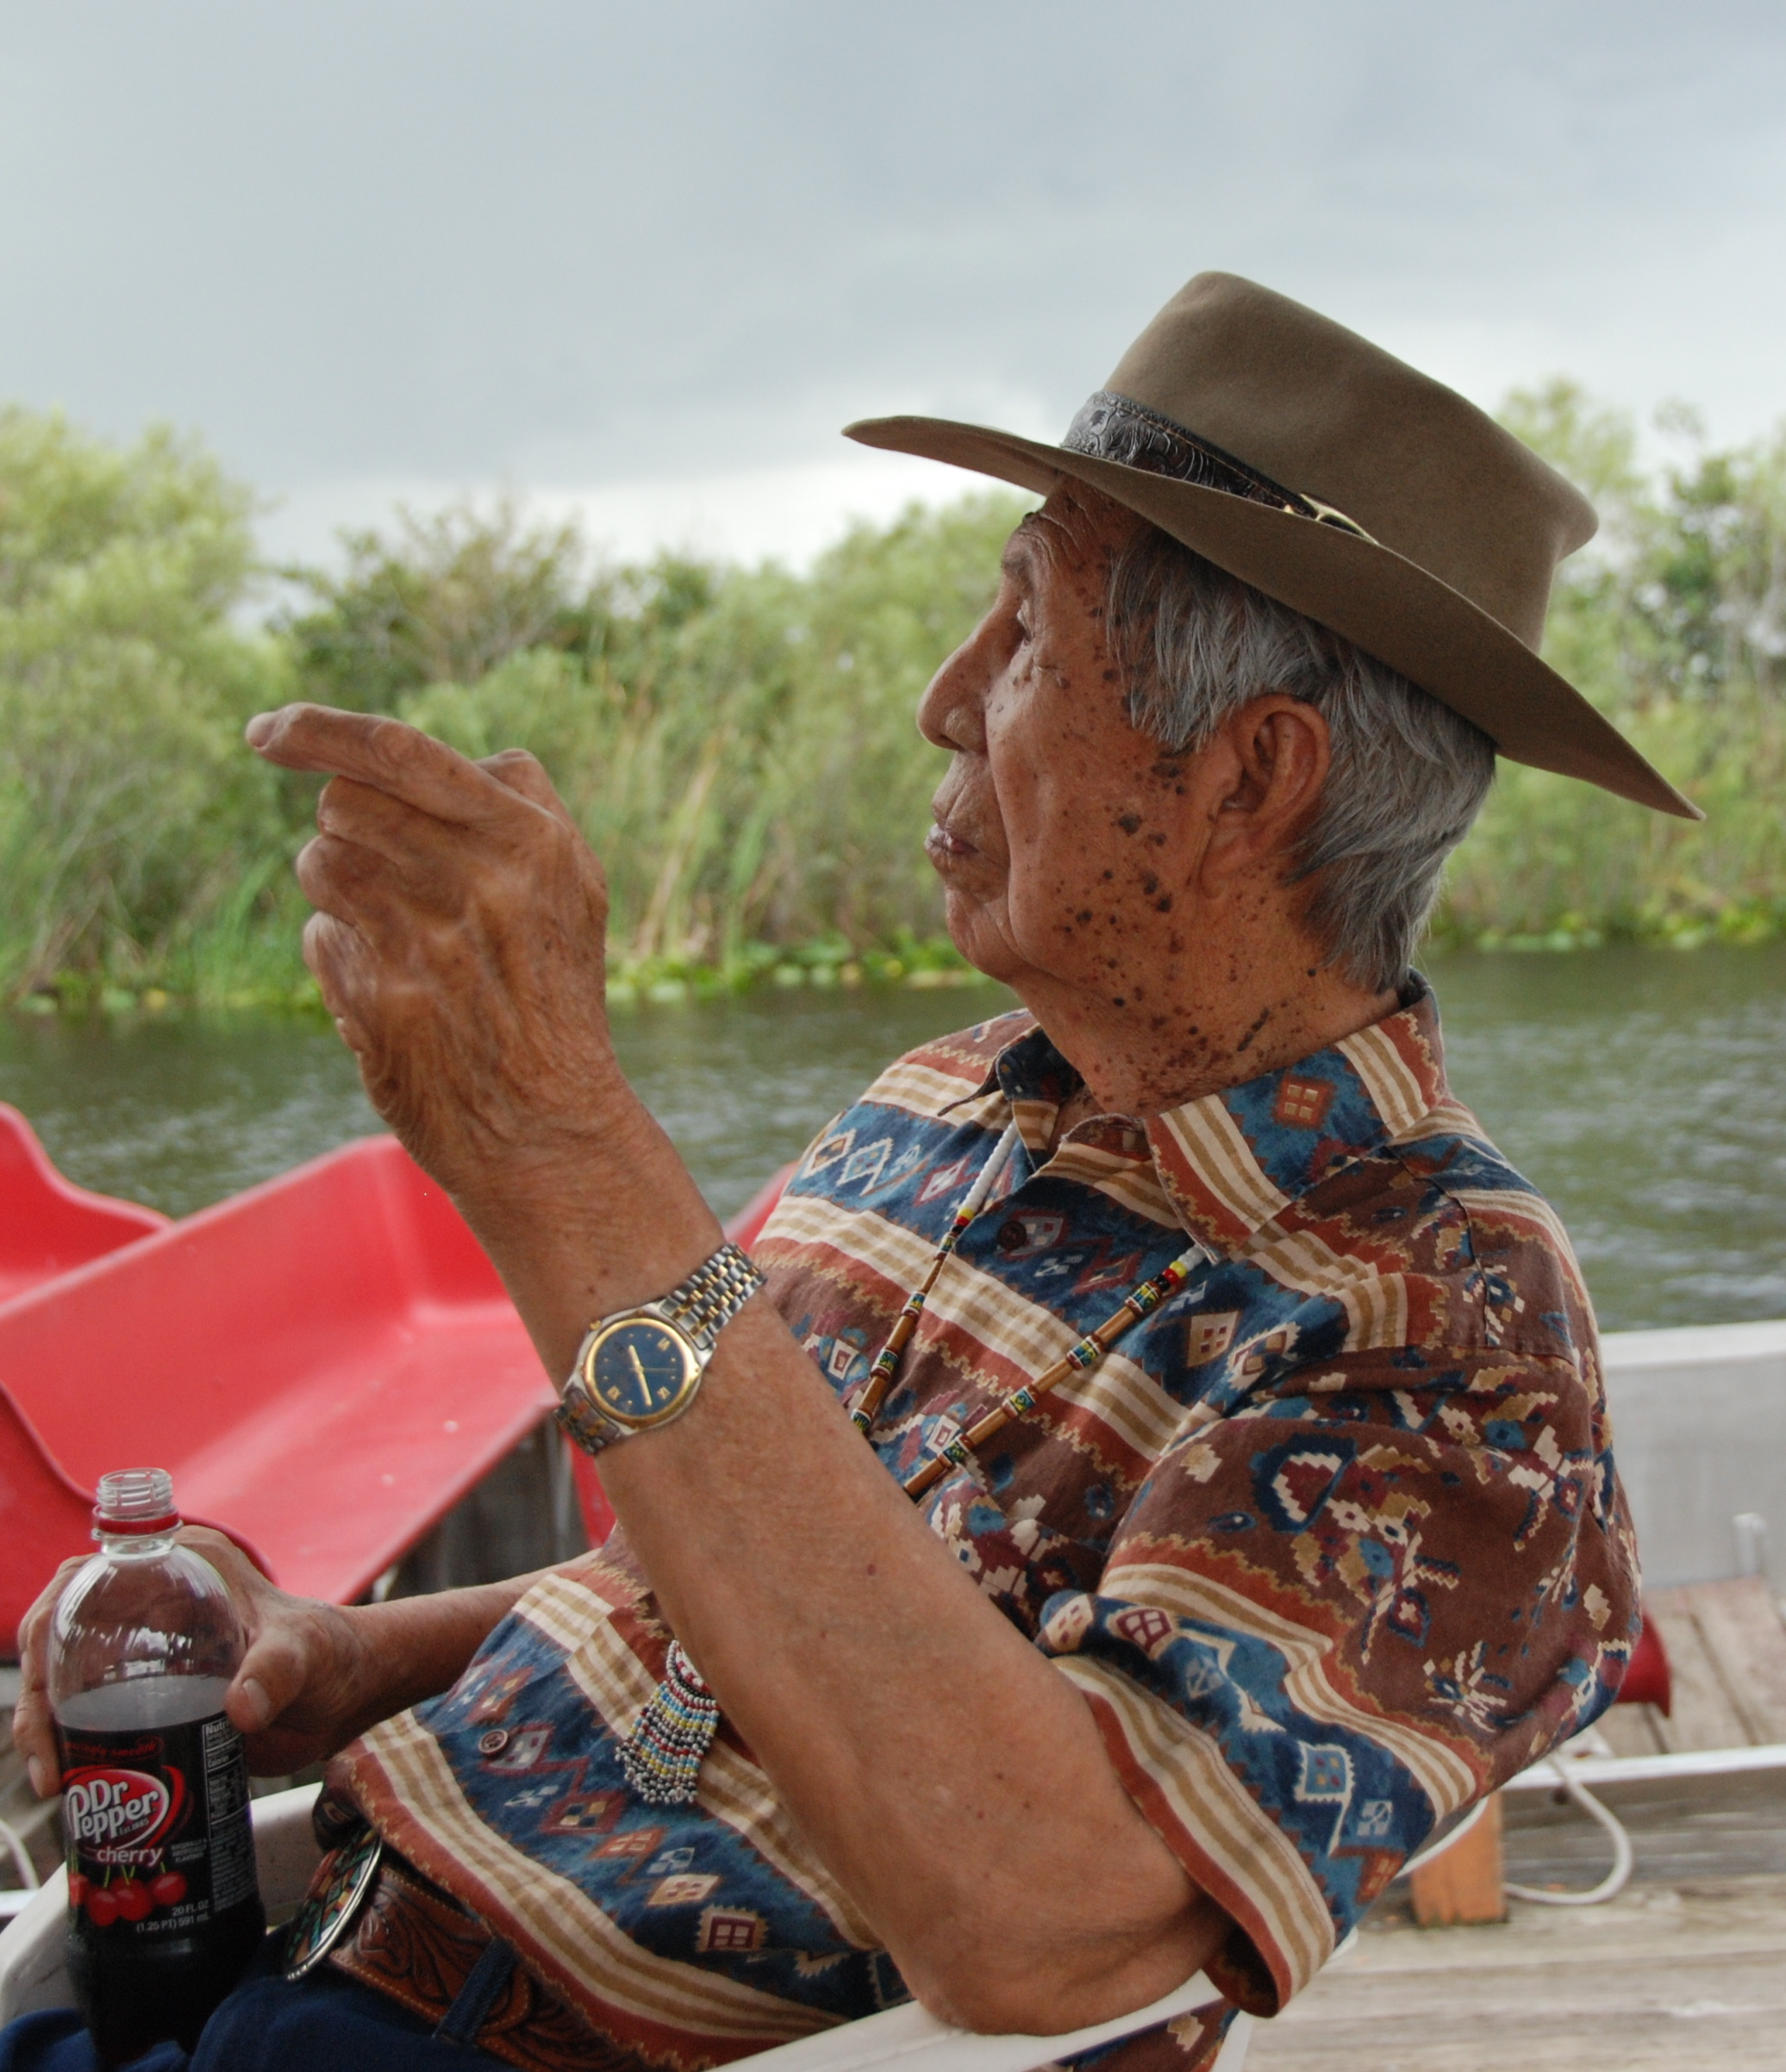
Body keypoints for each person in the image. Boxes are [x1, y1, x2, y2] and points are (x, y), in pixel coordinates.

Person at [9, 272, 1697, 2072]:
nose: (939, 700)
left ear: (1245, 776)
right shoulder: (936, 1097)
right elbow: (719, 1532)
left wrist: (563, 1152)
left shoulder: (1443, 1324)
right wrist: (348, 1659)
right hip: (311, 1929)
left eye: (1028, 634)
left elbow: (1047, 1919)